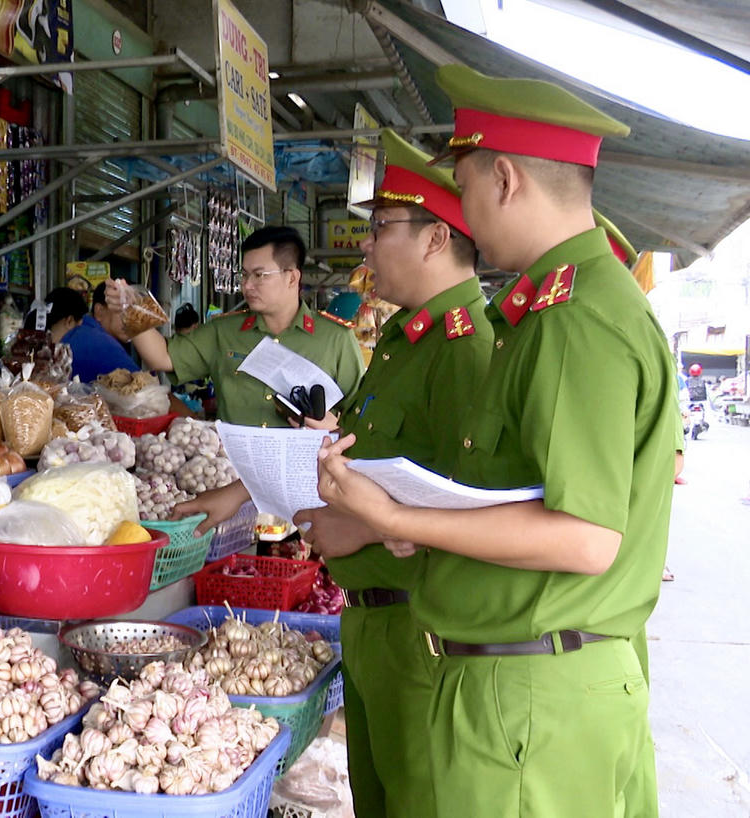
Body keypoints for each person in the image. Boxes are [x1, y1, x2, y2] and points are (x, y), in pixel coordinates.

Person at [312, 64, 673, 817]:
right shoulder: (554, 311)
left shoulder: (575, 321)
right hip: (521, 685)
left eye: (468, 185)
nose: (469, 213)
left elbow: (585, 538)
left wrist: (397, 520)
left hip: (535, 695)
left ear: (504, 178)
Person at [294, 128, 492, 818]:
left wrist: (365, 530)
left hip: (420, 633)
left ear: (437, 238)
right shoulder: (405, 341)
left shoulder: (466, 348)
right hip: (372, 626)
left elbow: (479, 510)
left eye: (381, 227)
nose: (367, 246)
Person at [106, 225, 364, 427]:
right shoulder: (224, 332)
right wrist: (129, 307)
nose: (247, 285)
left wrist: (336, 426)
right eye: (244, 274)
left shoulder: (336, 339)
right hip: (235, 478)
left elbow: (360, 416)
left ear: (292, 277)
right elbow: (161, 357)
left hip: (307, 480)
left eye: (259, 275)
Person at [33, 285, 138, 382]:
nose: (132, 319)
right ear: (99, 311)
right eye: (124, 311)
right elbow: (145, 389)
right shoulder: (93, 340)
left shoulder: (89, 337)